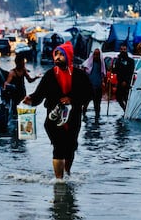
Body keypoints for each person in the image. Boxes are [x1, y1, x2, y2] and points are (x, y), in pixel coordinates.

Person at [23, 41, 92, 180]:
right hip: (53, 119)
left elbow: (89, 93)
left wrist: (72, 99)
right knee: (59, 147)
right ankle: (59, 182)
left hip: (73, 118)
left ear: (69, 56)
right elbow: (39, 94)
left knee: (71, 148)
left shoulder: (80, 75)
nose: (58, 57)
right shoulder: (49, 75)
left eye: (61, 54)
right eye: (56, 54)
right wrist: (30, 100)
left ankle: (67, 173)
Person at [81, 48, 106, 122]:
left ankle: (97, 117)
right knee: (86, 103)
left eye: (97, 54)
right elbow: (84, 75)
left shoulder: (102, 64)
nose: (96, 56)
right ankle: (84, 116)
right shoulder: (88, 64)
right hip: (89, 87)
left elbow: (103, 74)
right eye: (95, 54)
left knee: (97, 104)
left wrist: (104, 82)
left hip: (98, 87)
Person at [112, 44, 135, 111]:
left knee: (126, 98)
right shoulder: (118, 60)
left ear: (126, 50)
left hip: (127, 83)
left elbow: (131, 72)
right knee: (118, 97)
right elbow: (116, 70)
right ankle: (124, 109)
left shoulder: (130, 61)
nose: (123, 51)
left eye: (124, 49)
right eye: (121, 49)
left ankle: (128, 110)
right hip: (119, 82)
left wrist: (126, 81)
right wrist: (112, 69)